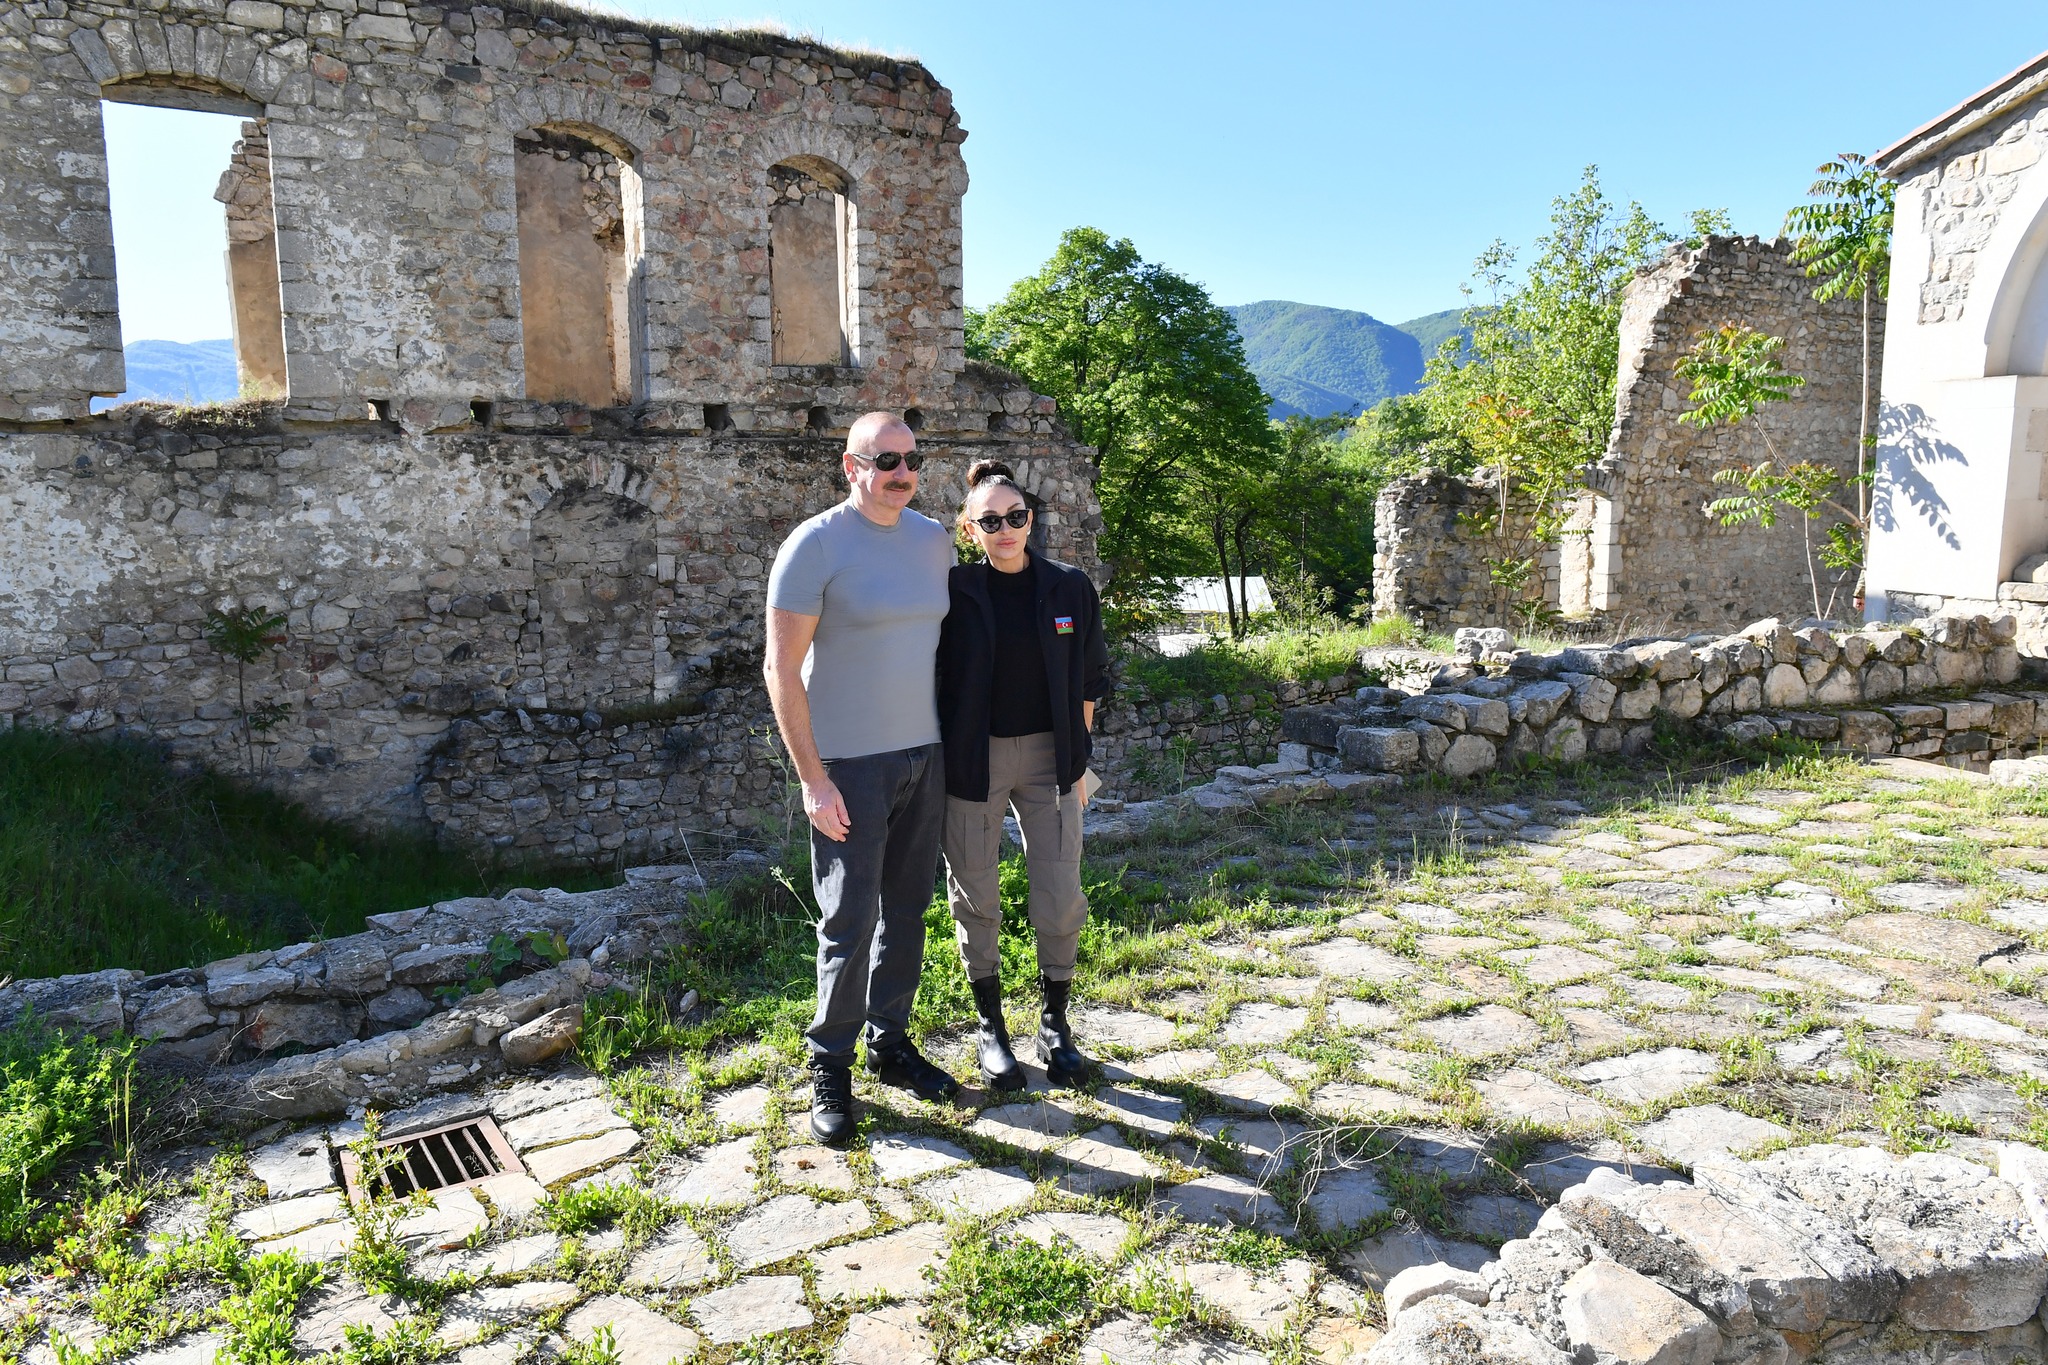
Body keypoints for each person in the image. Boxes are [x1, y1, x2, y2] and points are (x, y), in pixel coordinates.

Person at [764, 410, 961, 1144]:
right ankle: (830, 1065)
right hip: (849, 765)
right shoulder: (814, 544)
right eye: (885, 461)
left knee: (907, 910)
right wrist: (813, 780)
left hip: (925, 755)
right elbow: (780, 669)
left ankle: (891, 1043)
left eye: (912, 459)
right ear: (851, 467)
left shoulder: (933, 539)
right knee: (849, 920)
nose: (902, 473)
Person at [936, 460, 1111, 1090]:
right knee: (976, 892)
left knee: (1060, 890)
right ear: (970, 530)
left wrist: (1078, 756)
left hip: (1050, 760)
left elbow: (1089, 677)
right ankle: (991, 1026)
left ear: (1030, 520)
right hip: (973, 758)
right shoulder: (953, 591)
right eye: (989, 521)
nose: (1005, 529)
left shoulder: (1068, 587)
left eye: (1015, 517)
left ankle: (1055, 1023)